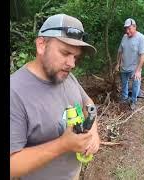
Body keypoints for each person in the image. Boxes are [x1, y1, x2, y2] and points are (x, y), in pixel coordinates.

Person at [10, 14, 100, 180]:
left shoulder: (65, 76)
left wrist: (94, 133)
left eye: (75, 57)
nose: (71, 64)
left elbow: (88, 103)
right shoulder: (15, 92)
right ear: (41, 45)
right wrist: (63, 145)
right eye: (65, 53)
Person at [115, 18, 144, 110]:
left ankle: (133, 101)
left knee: (136, 84)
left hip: (134, 68)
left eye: (129, 29)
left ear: (135, 27)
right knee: (124, 84)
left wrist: (138, 71)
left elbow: (142, 56)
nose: (127, 31)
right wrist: (118, 63)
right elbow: (120, 52)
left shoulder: (141, 38)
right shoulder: (124, 37)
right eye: (126, 29)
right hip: (124, 66)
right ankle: (124, 99)